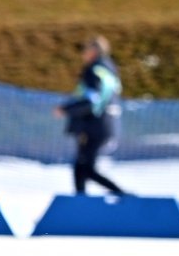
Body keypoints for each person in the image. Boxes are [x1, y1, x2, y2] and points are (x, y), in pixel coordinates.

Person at [54, 35, 126, 196]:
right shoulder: (109, 69)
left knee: (85, 168)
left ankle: (124, 197)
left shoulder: (93, 70)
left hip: (94, 125)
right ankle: (82, 202)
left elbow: (91, 100)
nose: (83, 54)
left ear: (93, 51)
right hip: (107, 123)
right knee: (82, 168)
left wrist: (66, 109)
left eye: (85, 49)